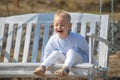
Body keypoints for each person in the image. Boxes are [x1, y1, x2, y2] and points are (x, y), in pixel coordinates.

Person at [34, 10, 89, 77]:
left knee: (71, 51)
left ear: (69, 26)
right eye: (56, 25)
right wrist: (46, 62)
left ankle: (65, 70)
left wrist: (89, 63)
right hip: (64, 61)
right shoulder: (53, 39)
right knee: (56, 53)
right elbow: (47, 53)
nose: (59, 27)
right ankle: (42, 68)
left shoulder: (78, 38)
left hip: (78, 60)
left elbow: (87, 52)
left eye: (62, 25)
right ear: (53, 25)